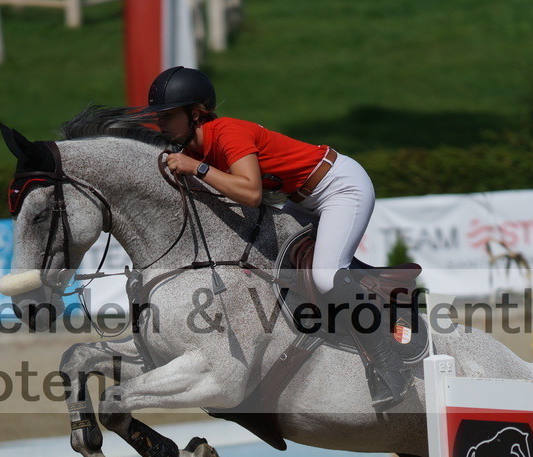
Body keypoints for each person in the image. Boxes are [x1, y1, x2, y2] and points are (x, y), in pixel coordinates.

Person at [144, 66, 425, 410]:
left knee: (324, 276)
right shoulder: (195, 149)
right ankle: (374, 295)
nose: (161, 124)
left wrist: (198, 169)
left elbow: (249, 193)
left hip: (339, 187)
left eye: (168, 116)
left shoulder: (227, 133)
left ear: (196, 114)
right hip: (301, 199)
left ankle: (390, 368)